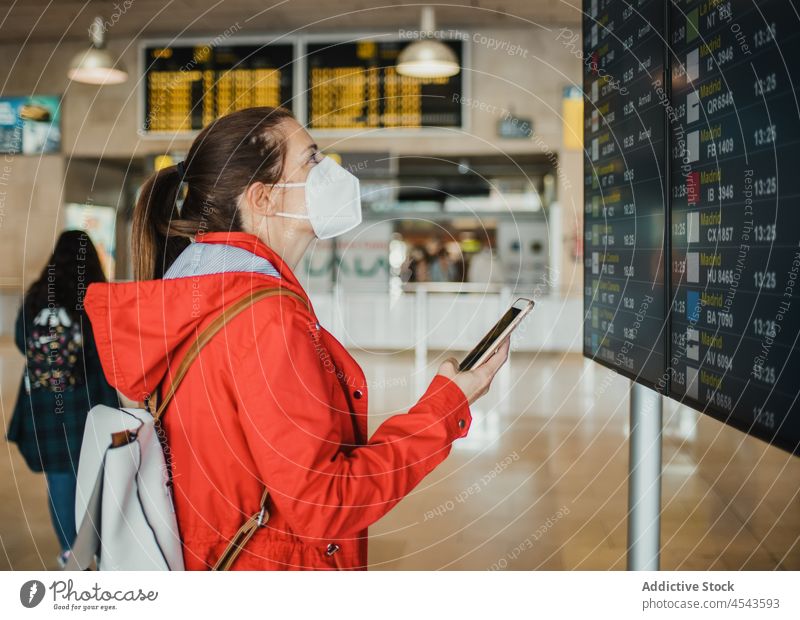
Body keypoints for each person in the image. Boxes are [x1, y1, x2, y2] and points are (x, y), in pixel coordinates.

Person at [83, 106, 509, 570]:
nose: (332, 173)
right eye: (312, 160)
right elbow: (324, 503)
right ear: (263, 198)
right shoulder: (264, 318)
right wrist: (443, 409)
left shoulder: (193, 293)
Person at [6, 230, 118, 569]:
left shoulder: (38, 295)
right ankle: (102, 554)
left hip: (46, 412)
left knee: (60, 481)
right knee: (100, 483)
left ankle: (72, 556)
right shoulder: (98, 297)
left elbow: (20, 340)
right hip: (91, 406)